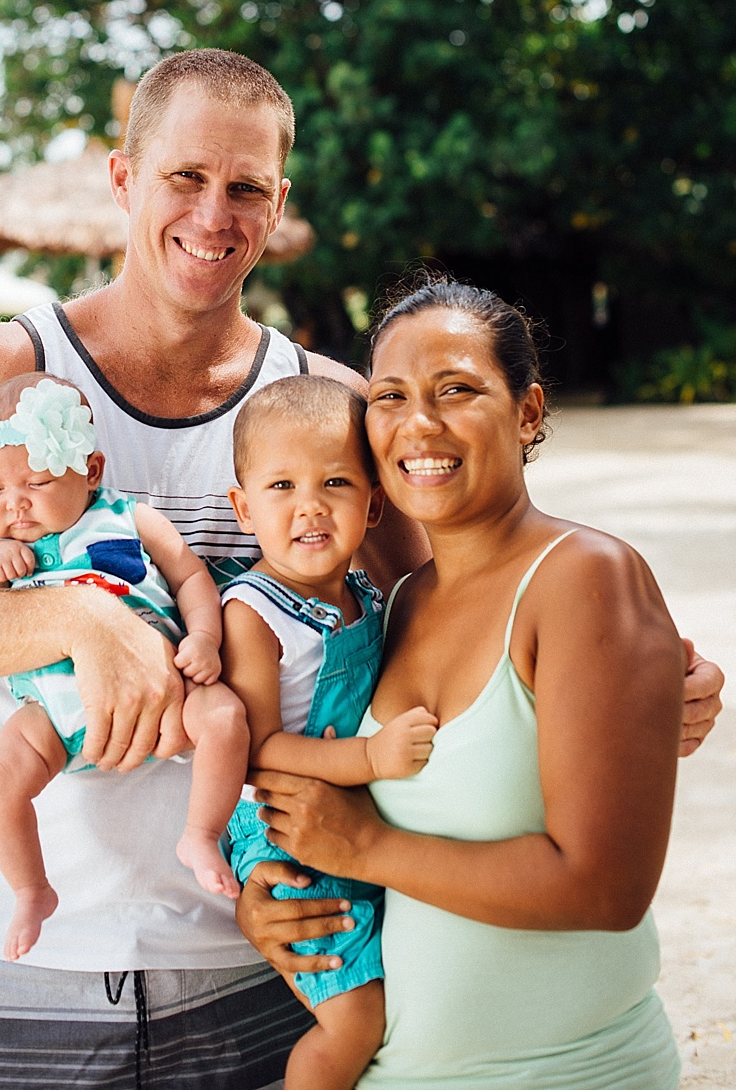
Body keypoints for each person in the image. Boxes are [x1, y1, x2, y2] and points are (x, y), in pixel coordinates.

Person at [0, 49, 723, 1090]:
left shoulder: (328, 403)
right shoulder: (4, 372)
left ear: (276, 203)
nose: (214, 214)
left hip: (260, 959)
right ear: (123, 179)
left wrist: (635, 681)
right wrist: (77, 620)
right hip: (31, 969)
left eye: (245, 188)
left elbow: (457, 605)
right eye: (184, 178)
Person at [247, 279, 692, 1088]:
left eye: (456, 389)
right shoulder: (397, 600)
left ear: (527, 412)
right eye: (390, 396)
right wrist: (276, 896)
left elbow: (606, 886)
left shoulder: (583, 576)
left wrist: (370, 847)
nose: (419, 423)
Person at [0, 371, 249, 961]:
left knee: (224, 718)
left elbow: (191, 576)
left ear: (89, 471)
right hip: (54, 711)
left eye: (36, 482)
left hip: (168, 683)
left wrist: (205, 637)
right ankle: (30, 888)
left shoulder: (129, 518)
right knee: (0, 775)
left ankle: (200, 834)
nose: (13, 503)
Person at [222, 374, 438, 1090]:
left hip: (353, 822)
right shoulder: (253, 612)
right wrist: (369, 756)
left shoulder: (367, 593)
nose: (309, 505)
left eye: (336, 482)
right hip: (283, 830)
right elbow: (256, 751)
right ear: (242, 507)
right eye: (280, 487)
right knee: (355, 1022)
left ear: (374, 504)